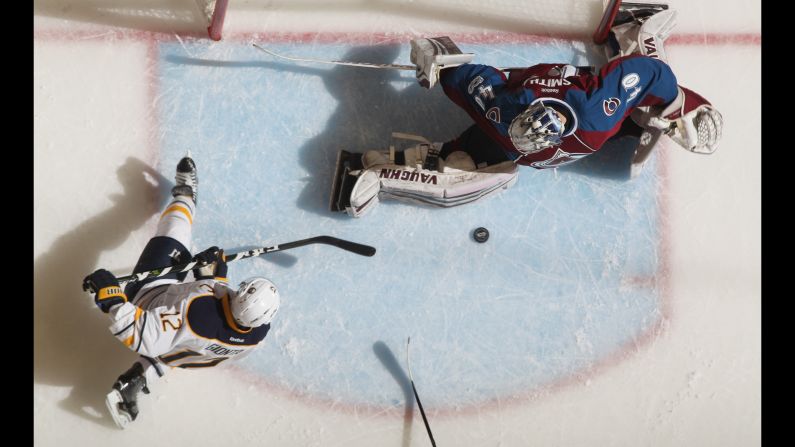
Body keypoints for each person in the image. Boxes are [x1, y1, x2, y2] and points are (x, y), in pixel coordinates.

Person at [330, 4, 723, 217]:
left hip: (542, 136)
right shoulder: (507, 114)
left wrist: (676, 108)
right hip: (521, 142)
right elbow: (458, 73)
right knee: (471, 166)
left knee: (644, 109)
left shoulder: (589, 109)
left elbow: (653, 73)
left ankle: (635, 29)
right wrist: (437, 60)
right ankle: (397, 170)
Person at [82, 154, 281, 429]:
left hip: (150, 295)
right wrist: (215, 273)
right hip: (195, 351)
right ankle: (141, 377)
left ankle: (185, 196)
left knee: (176, 230)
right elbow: (221, 317)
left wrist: (111, 296)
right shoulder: (256, 335)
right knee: (181, 346)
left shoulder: (197, 313)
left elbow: (144, 336)